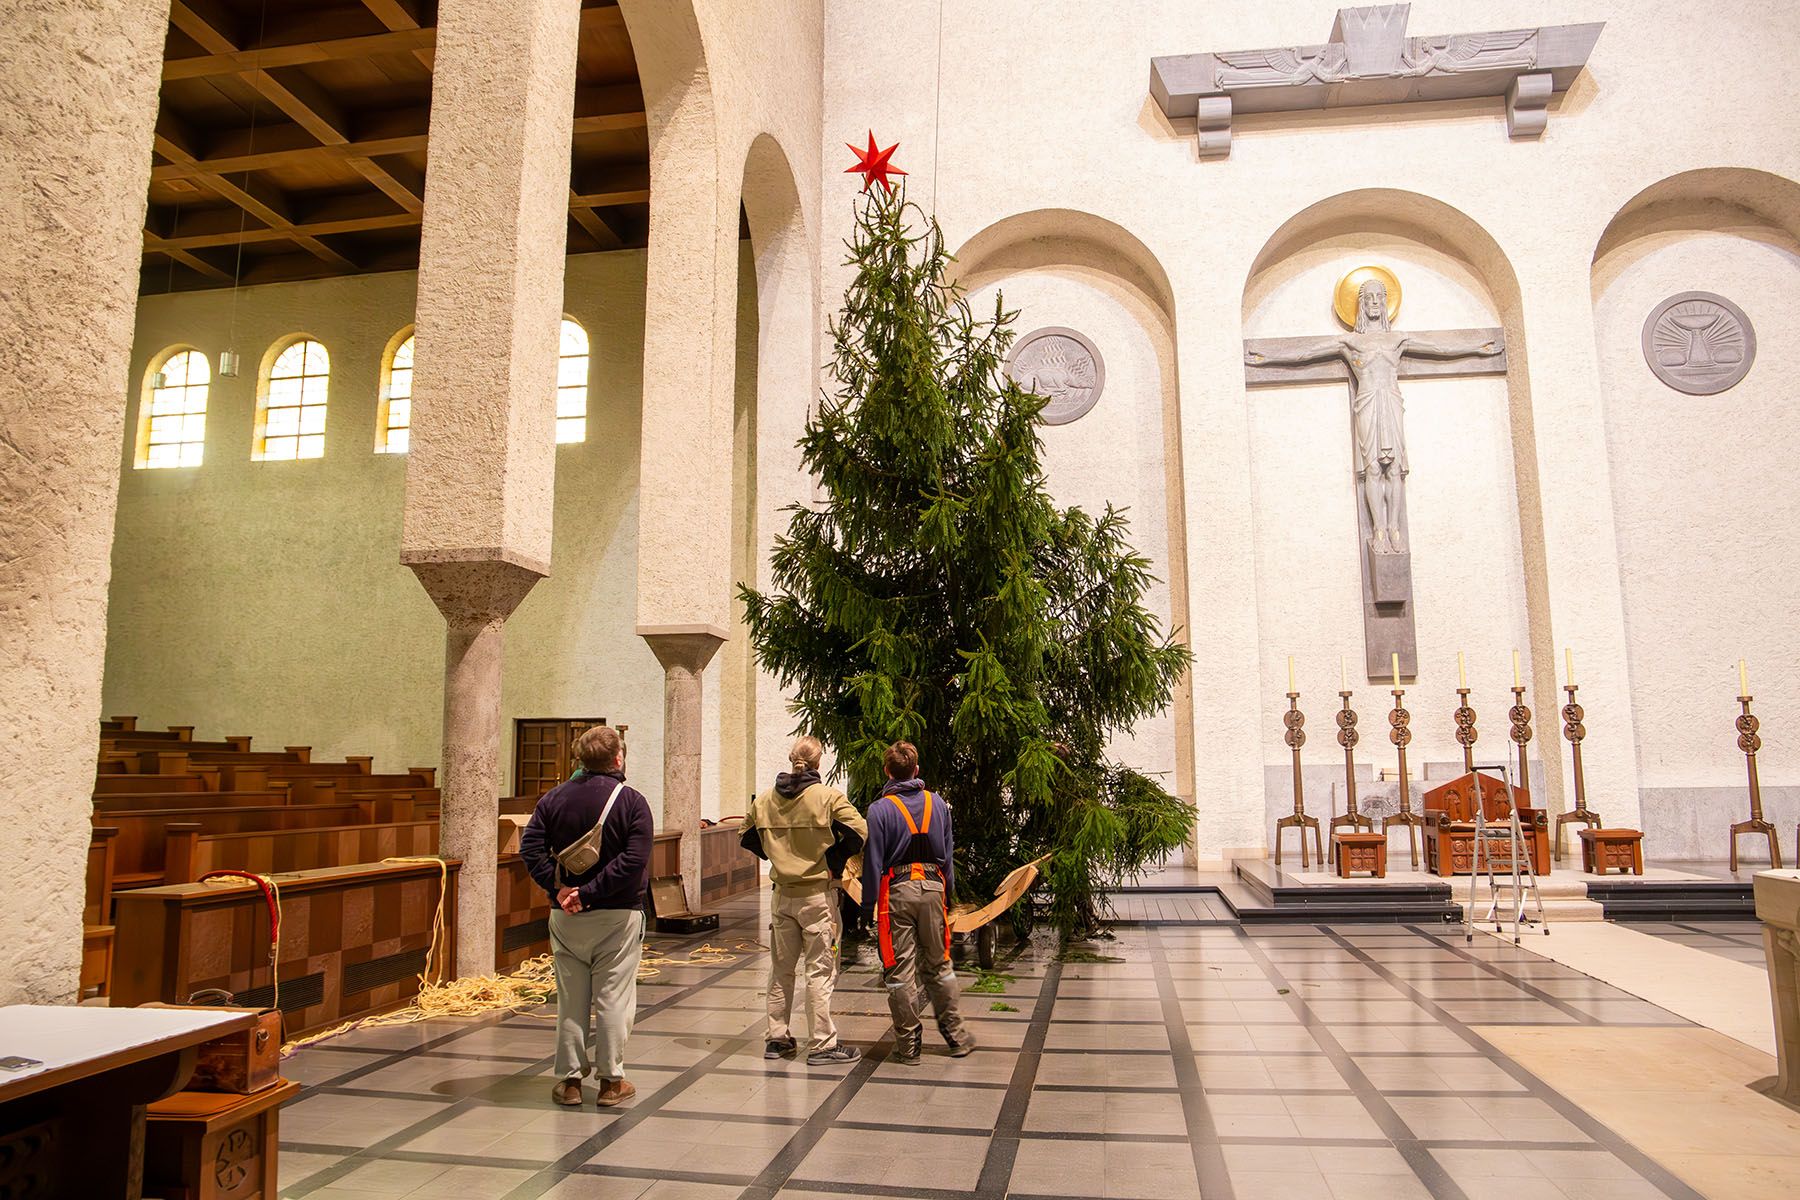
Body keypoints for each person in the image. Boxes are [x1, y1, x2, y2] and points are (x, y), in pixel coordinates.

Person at [519, 725, 653, 1108]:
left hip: (566, 916)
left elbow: (530, 848)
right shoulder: (632, 801)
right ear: (618, 758)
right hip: (617, 915)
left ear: (578, 758)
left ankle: (570, 1082)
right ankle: (612, 1082)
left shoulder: (553, 799)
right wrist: (591, 893)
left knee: (571, 999)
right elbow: (633, 860)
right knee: (613, 998)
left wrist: (561, 890)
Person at [739, 735, 867, 1066]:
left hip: (782, 897)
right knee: (820, 971)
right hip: (817, 897)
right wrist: (832, 861)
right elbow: (860, 833)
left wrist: (774, 856)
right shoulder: (828, 798)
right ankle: (823, 1044)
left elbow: (746, 836)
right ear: (818, 762)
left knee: (781, 970)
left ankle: (777, 1039)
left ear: (791, 759)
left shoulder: (765, 800)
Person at [861, 741, 974, 1064]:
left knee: (899, 972)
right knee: (939, 966)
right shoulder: (938, 803)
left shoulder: (879, 810)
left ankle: (909, 1045)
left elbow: (873, 861)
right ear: (917, 770)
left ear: (887, 772)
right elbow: (948, 855)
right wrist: (948, 895)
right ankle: (956, 1037)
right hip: (933, 888)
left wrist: (867, 905)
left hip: (897, 891)